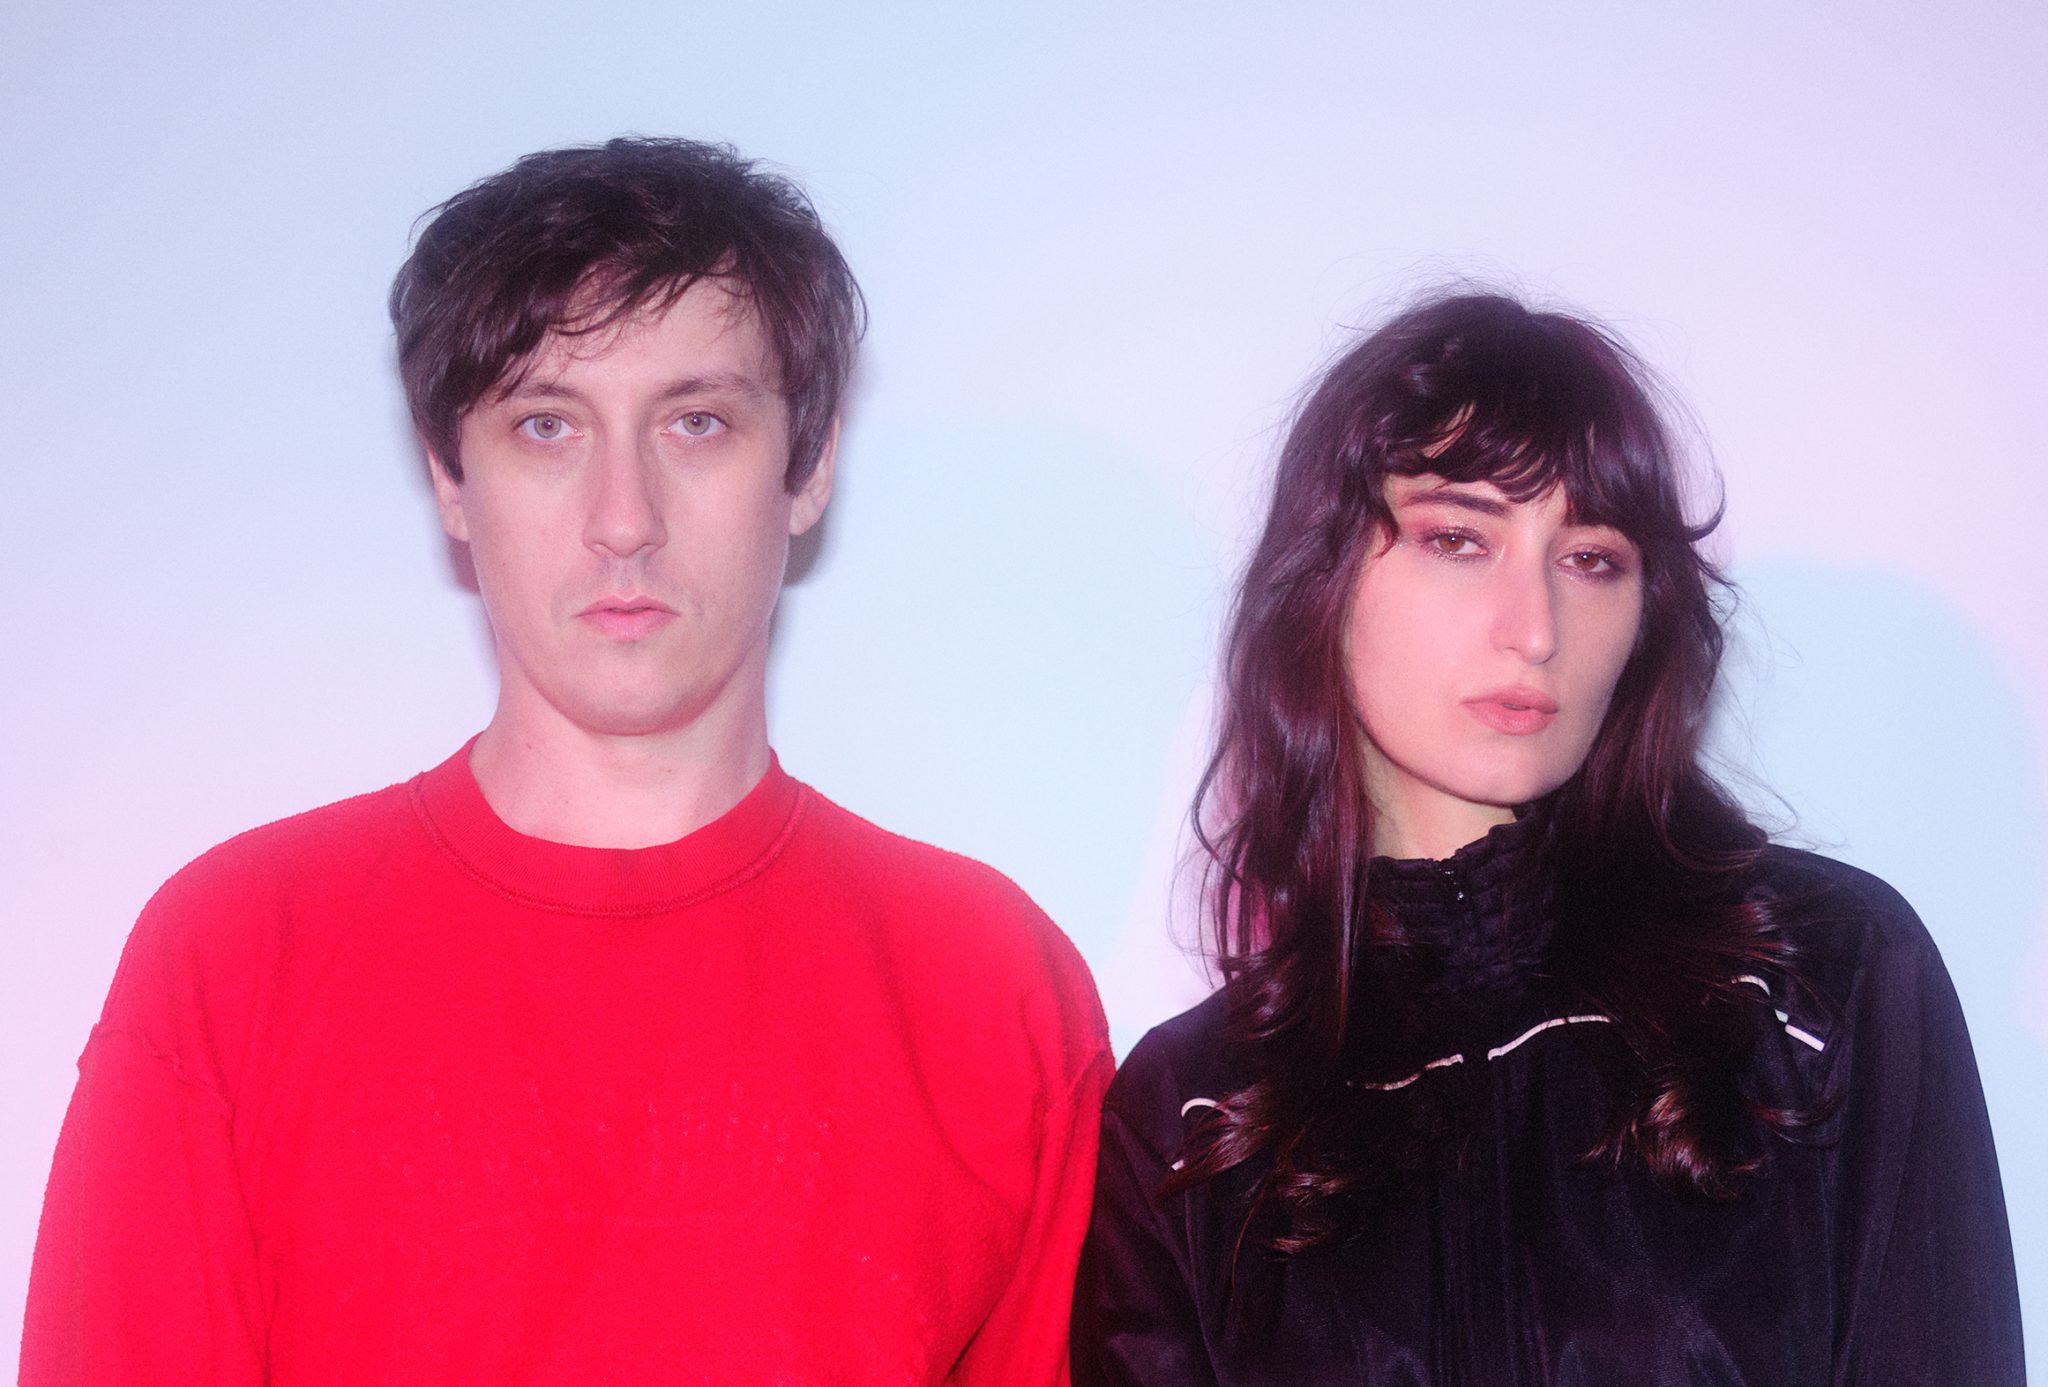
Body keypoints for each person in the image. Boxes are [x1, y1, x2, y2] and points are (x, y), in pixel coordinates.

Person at [23, 137, 1111, 1384]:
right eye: (546, 425)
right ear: (450, 478)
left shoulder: (992, 988)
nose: (622, 519)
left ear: (806, 467)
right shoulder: (234, 957)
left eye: (696, 422)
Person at [1070, 292, 2023, 1384]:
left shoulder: (1821, 974)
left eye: (1591, 558)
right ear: (1319, 581)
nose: (1533, 629)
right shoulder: (1193, 1114)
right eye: (1457, 538)